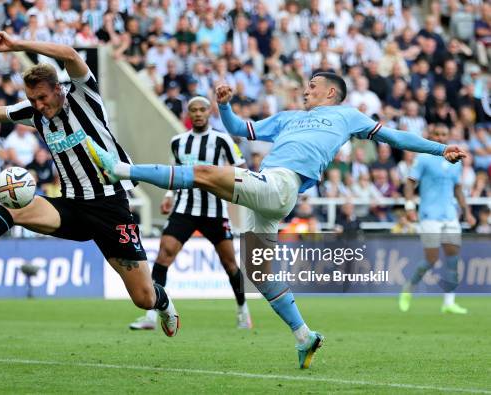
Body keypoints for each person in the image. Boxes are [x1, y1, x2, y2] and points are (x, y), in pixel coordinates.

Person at [85, 72, 466, 369]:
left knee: (203, 173)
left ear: (331, 93)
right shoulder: (289, 118)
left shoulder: (347, 115)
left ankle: (122, 169)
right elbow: (239, 130)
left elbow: (396, 137)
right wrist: (225, 107)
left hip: (281, 185)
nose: (307, 91)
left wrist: (439, 149)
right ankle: (304, 336)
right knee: (260, 272)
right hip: (266, 195)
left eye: (313, 87)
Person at [0, 32, 180, 337]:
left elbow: (69, 54)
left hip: (110, 207)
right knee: (15, 209)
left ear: (58, 89)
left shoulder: (84, 96)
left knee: (142, 297)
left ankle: (165, 303)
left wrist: (18, 45)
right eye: (32, 100)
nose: (38, 105)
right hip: (71, 206)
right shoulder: (35, 115)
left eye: (42, 98)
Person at [129, 96, 252, 331]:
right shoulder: (178, 142)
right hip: (184, 209)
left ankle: (242, 310)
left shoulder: (222, 140)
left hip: (215, 211)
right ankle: (151, 316)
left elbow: (242, 169)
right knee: (163, 256)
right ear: (188, 113)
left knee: (230, 263)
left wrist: (226, 186)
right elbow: (174, 173)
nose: (197, 114)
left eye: (202, 110)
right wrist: (167, 197)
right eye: (193, 110)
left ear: (209, 112)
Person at [398, 126, 476, 314]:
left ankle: (449, 303)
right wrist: (409, 207)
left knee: (452, 258)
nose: (441, 136)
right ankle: (409, 288)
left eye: (443, 134)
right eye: (437, 134)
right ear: (431, 136)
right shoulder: (423, 158)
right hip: (429, 214)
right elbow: (409, 183)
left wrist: (467, 212)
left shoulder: (455, 161)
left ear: (448, 136)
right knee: (431, 259)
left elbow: (457, 189)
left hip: (449, 215)